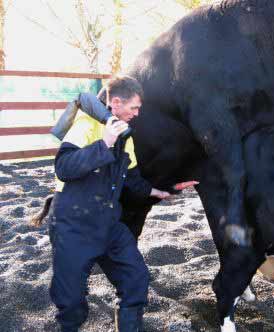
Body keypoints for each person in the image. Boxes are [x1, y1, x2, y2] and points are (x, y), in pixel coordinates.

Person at [49, 76, 197, 332]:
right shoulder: (85, 125)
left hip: (108, 224)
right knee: (71, 303)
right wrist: (104, 142)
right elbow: (63, 167)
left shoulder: (126, 137)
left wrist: (161, 192)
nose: (137, 114)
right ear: (116, 102)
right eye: (134, 108)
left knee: (135, 279)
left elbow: (132, 178)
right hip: (72, 224)